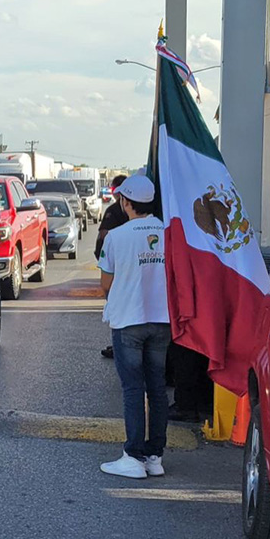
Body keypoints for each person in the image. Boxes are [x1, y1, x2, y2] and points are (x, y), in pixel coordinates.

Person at [97, 174, 170, 479]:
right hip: (162, 320)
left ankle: (133, 456)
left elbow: (106, 283)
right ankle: (155, 456)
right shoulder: (169, 234)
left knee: (132, 389)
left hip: (128, 321)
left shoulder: (117, 236)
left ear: (126, 203)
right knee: (157, 388)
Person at [95, 174, 129, 359]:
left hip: (118, 264)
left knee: (117, 305)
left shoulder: (115, 210)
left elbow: (103, 234)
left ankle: (120, 347)